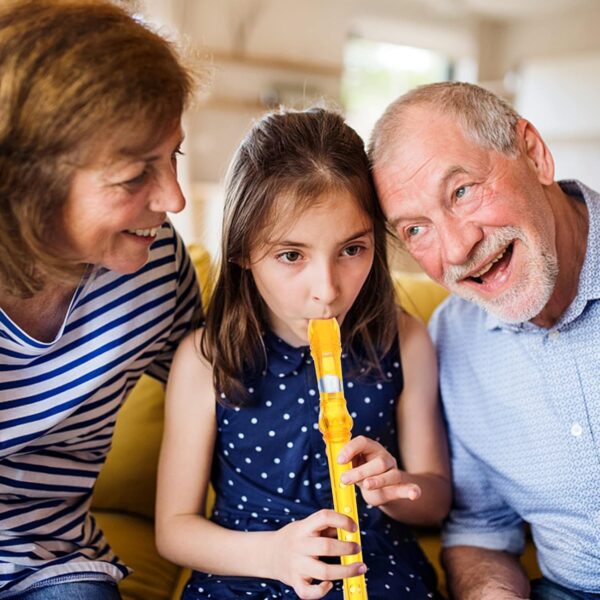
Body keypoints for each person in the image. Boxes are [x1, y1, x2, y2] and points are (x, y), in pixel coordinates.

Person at [156, 107, 451, 599]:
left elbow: (436, 499)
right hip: (247, 571)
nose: (327, 289)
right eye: (292, 255)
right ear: (243, 250)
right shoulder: (206, 358)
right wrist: (273, 554)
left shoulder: (406, 340)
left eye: (352, 249)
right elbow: (174, 528)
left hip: (375, 568)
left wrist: (394, 488)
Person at [0, 1, 202, 598]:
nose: (174, 199)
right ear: (26, 182)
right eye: (136, 175)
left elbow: (238, 388)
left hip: (52, 561)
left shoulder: (154, 265)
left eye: (175, 157)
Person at [369, 80, 600, 599]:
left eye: (462, 191)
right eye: (416, 230)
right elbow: (481, 531)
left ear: (535, 155)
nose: (457, 247)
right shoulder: (453, 336)